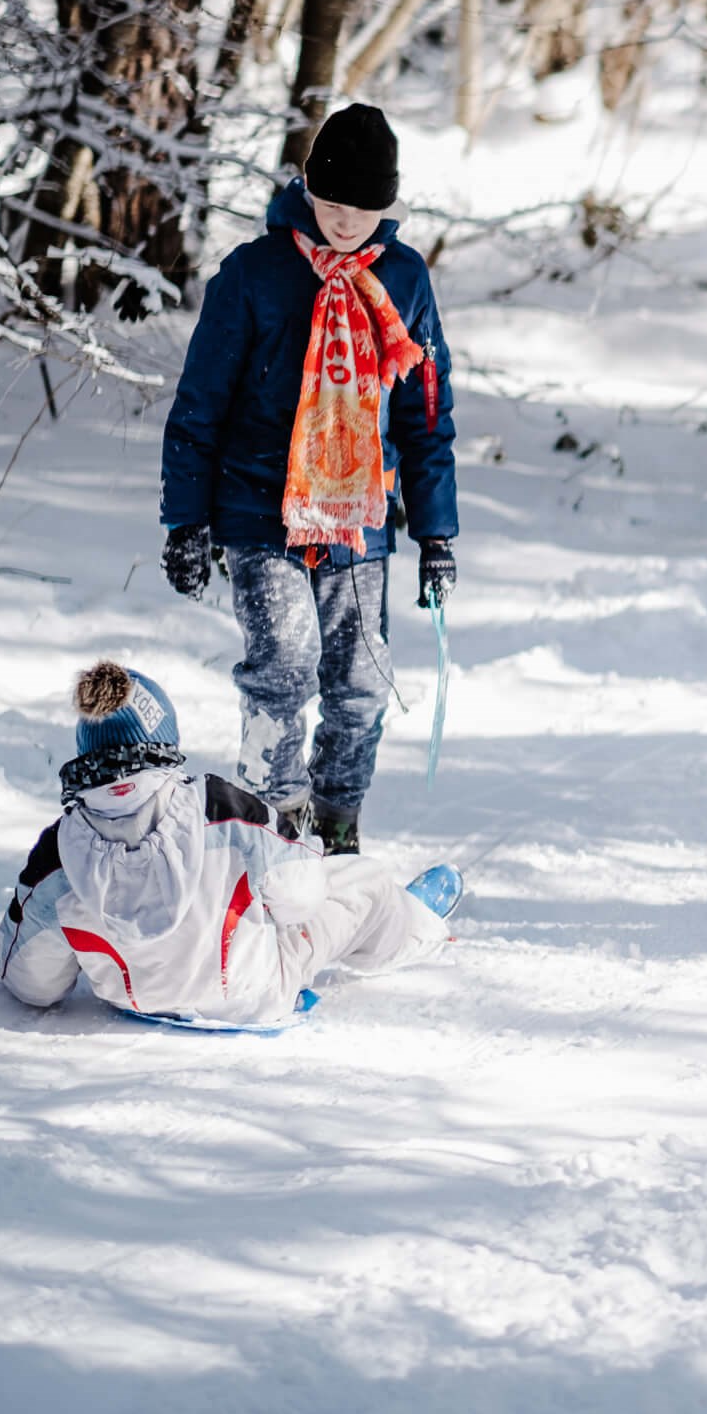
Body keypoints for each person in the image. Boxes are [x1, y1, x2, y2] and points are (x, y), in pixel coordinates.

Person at [162, 102, 457, 853]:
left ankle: (337, 828)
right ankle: (275, 829)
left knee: (361, 687)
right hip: (261, 512)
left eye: (362, 206)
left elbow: (426, 413)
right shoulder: (254, 274)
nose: (344, 220)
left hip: (359, 521)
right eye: (330, 203)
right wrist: (186, 521)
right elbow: (199, 403)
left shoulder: (404, 281)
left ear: (387, 204)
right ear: (307, 189)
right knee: (285, 668)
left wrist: (436, 535)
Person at [0, 662, 464, 1027]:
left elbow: (34, 983)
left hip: (134, 1002)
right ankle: (417, 924)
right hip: (250, 996)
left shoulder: (60, 848)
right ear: (164, 740)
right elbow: (303, 894)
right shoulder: (219, 808)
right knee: (360, 883)